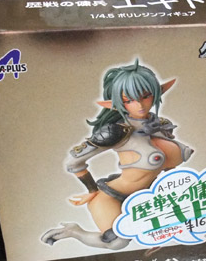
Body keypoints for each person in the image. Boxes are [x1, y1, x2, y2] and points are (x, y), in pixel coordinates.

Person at [41, 59, 193, 250]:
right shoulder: (117, 132)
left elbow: (169, 167)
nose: (139, 105)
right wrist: (91, 190)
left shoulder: (162, 125)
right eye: (129, 100)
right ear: (117, 104)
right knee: (117, 242)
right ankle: (74, 232)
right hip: (112, 196)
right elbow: (74, 162)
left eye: (145, 96)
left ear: (156, 93)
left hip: (147, 197)